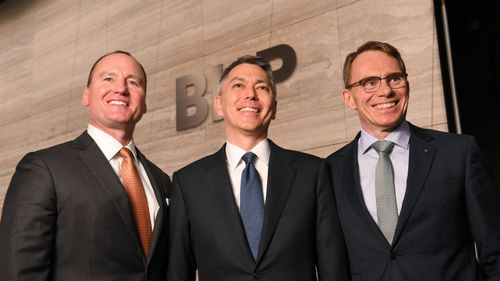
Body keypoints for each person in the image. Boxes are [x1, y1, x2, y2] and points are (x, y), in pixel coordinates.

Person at [326, 40, 500, 280]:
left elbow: (495, 248)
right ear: (349, 98)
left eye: (394, 78)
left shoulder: (459, 153)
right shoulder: (330, 171)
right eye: (369, 83)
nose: (385, 91)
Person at [167, 55, 349, 281]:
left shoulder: (312, 172)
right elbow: (178, 272)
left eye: (261, 87)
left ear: (273, 108)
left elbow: (332, 266)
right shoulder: (188, 183)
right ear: (219, 105)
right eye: (238, 85)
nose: (250, 94)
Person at [0, 51, 171, 281]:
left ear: (145, 102)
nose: (121, 88)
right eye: (108, 78)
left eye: (133, 82)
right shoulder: (43, 169)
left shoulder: (162, 180)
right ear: (86, 96)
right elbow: (19, 272)